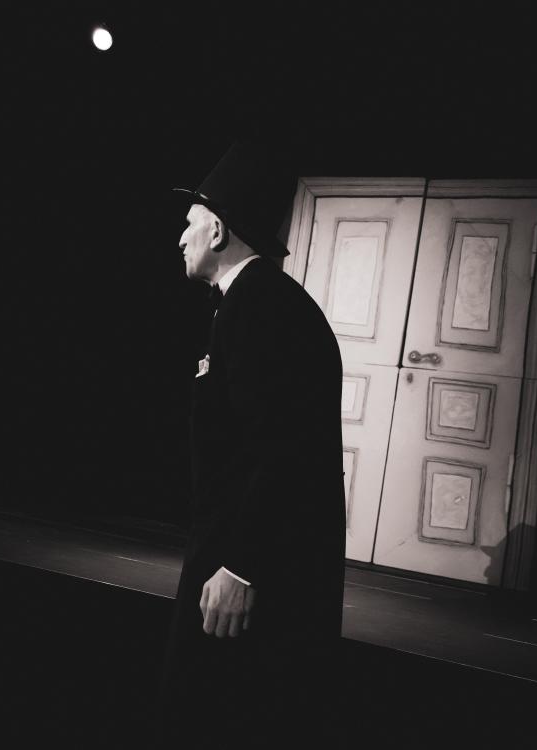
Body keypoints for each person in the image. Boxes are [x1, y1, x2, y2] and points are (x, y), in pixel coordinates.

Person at [157, 142, 346, 746]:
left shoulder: (263, 307)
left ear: (216, 230)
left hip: (248, 568)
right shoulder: (244, 303)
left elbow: (284, 450)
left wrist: (241, 565)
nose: (179, 239)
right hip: (232, 553)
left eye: (189, 224)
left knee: (219, 717)